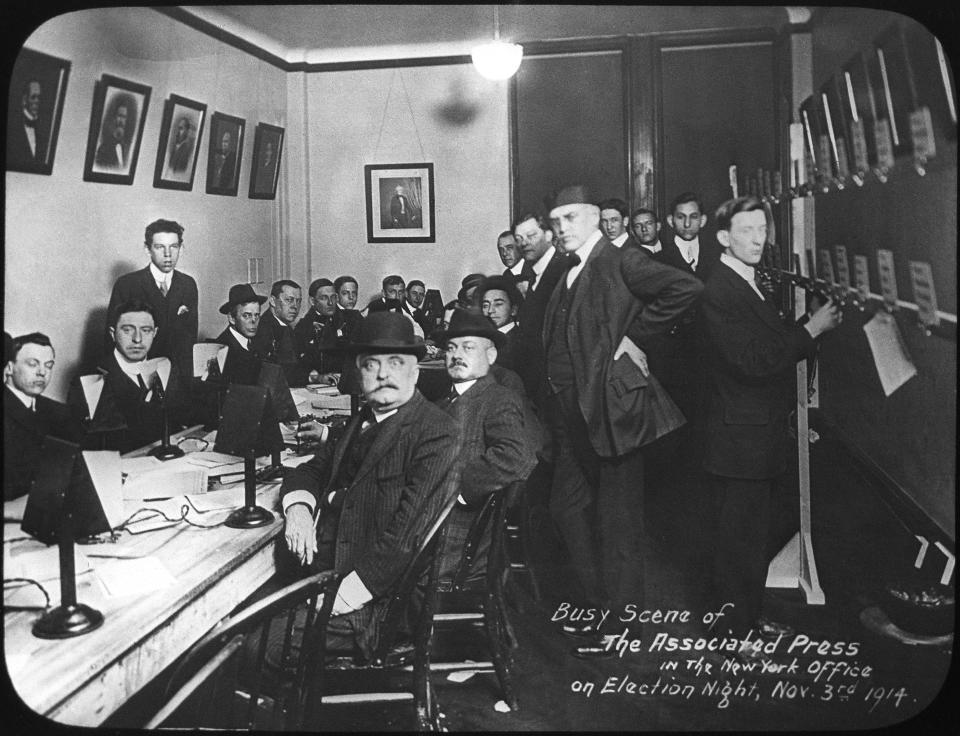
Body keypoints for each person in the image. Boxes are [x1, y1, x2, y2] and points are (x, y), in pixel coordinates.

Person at [543, 184, 702, 657]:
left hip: (613, 407)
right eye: (556, 221)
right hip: (571, 412)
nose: (562, 228)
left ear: (595, 217)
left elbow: (685, 287)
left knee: (619, 521)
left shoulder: (620, 259)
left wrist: (636, 338)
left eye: (570, 217)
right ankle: (598, 605)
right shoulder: (569, 269)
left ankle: (626, 625)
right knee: (566, 508)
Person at [699, 196, 841, 650]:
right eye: (746, 230)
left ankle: (746, 622)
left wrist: (804, 322)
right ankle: (731, 634)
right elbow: (752, 361)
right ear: (723, 237)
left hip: (753, 436)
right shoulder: (719, 289)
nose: (759, 239)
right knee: (737, 543)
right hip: (739, 440)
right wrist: (810, 331)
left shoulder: (744, 280)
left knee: (749, 538)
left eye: (762, 228)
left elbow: (765, 339)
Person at [279, 311, 460, 658]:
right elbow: (311, 470)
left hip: (376, 604)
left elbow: (405, 542)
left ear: (415, 370)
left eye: (395, 362)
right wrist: (299, 509)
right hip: (326, 574)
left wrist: (336, 600)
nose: (382, 374)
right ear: (358, 372)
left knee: (247, 646)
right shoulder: (361, 419)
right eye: (370, 364)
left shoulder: (437, 432)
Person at [434, 309, 536, 582]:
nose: (457, 355)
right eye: (451, 348)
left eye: (468, 347)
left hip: (453, 542)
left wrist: (457, 488)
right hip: (429, 525)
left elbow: (518, 456)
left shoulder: (498, 399)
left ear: (490, 356)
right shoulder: (443, 404)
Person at [71, 300, 190, 454]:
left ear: (155, 333)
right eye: (127, 330)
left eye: (146, 330)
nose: (138, 339)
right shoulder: (90, 380)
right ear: (113, 334)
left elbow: (181, 422)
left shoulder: (165, 367)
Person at [106, 219, 198, 382]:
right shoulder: (127, 285)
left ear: (181, 249)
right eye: (160, 247)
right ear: (147, 249)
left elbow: (190, 337)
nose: (168, 254)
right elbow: (111, 341)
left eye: (174, 247)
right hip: (137, 378)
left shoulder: (188, 285)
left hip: (177, 378)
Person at [3, 332, 79, 501]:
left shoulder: (58, 411)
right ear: (9, 368)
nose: (42, 372)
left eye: (49, 365)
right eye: (32, 364)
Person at [511, 212, 567, 404]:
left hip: (560, 384)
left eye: (531, 235)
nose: (524, 243)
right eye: (519, 239)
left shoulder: (563, 270)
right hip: (542, 382)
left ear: (549, 235)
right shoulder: (536, 273)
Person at [295, 278, 359, 383]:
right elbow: (296, 366)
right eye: (324, 298)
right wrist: (318, 377)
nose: (330, 303)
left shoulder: (350, 319)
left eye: (333, 297)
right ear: (312, 301)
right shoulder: (303, 327)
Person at [251, 279, 305, 387]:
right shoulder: (262, 329)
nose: (295, 306)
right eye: (289, 300)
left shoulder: (285, 326)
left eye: (298, 301)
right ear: (272, 301)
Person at [215, 283, 267, 386]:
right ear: (232, 318)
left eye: (257, 315)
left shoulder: (254, 342)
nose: (253, 321)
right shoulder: (223, 348)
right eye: (246, 315)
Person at [661, 191, 720, 280]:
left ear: (702, 220)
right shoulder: (659, 260)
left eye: (694, 217)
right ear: (670, 221)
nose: (687, 224)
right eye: (681, 217)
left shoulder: (717, 256)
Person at [476, 275, 522, 372]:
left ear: (513, 310)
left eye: (498, 304)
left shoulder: (521, 342)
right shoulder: (482, 339)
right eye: (485, 305)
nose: (490, 311)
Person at [8, 79, 47, 168]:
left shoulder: (42, 132)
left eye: (39, 97)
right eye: (33, 97)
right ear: (24, 100)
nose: (37, 101)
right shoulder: (12, 129)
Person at [94, 94, 133, 170]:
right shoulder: (104, 148)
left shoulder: (127, 148)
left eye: (124, 117)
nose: (121, 121)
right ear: (114, 117)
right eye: (119, 116)